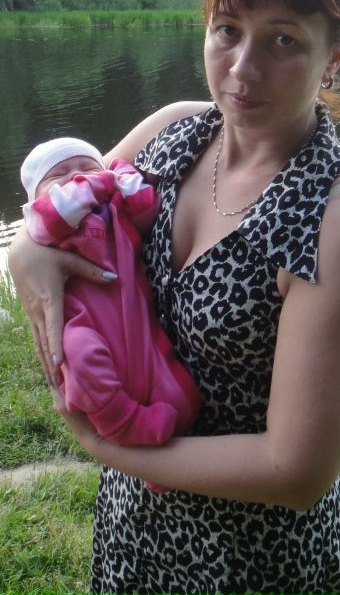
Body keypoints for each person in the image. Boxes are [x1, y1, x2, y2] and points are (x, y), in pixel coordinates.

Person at [8, 0, 340, 594]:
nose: (242, 68)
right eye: (227, 30)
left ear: (333, 53)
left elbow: (296, 471)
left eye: (282, 40)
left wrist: (112, 448)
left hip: (255, 563)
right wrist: (24, 254)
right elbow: (59, 209)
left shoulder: (336, 226)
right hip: (134, 535)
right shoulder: (173, 133)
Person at [19, 137, 202, 485]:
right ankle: (124, 423)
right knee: (83, 360)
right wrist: (100, 179)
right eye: (59, 173)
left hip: (136, 320)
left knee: (179, 392)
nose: (76, 176)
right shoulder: (47, 218)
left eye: (86, 167)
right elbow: (52, 217)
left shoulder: (114, 207)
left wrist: (124, 174)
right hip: (81, 321)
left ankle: (162, 469)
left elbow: (147, 207)